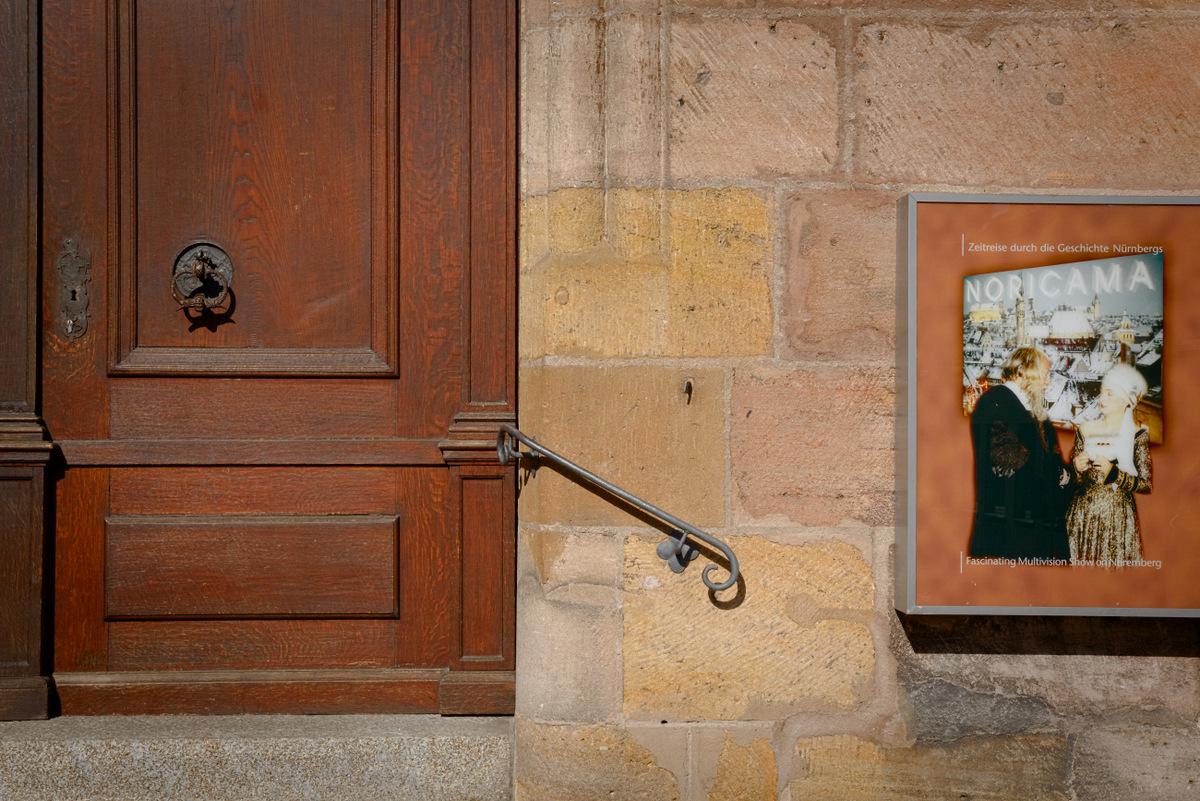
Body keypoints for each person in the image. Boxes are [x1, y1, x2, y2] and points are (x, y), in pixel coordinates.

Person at [968, 346, 1072, 560]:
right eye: (1044, 375)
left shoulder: (1032, 409)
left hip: (1031, 529)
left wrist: (1068, 473)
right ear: (1021, 371)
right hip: (1008, 531)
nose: (1047, 382)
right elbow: (1011, 465)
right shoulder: (994, 402)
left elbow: (1051, 460)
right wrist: (1058, 475)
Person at [1067, 363, 1152, 565]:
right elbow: (1075, 476)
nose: (1102, 398)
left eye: (1110, 394)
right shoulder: (1085, 428)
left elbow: (1146, 484)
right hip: (1083, 516)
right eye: (1102, 392)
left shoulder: (1137, 435)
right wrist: (1077, 467)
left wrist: (1114, 473)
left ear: (1126, 401)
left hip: (1117, 520)